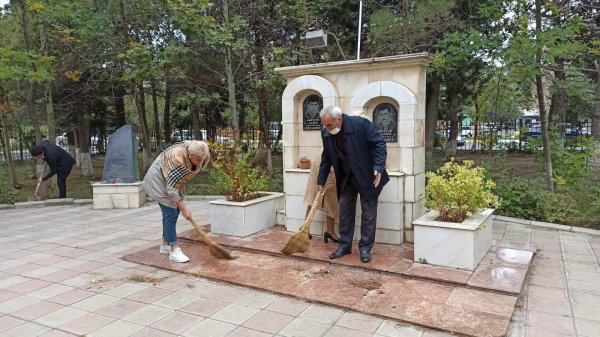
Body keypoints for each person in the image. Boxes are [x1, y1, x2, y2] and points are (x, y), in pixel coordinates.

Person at [317, 106, 389, 263]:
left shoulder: (360, 125)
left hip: (367, 175)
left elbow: (379, 144)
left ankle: (365, 248)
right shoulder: (326, 133)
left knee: (368, 213)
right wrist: (320, 180)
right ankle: (344, 245)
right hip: (346, 177)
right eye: (324, 125)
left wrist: (378, 166)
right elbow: (326, 157)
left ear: (339, 119)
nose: (326, 129)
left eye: (329, 125)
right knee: (344, 210)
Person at [143, 140, 211, 263]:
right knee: (170, 213)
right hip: (157, 183)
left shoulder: (195, 148)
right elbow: (171, 189)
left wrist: (181, 207)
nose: (200, 162)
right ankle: (173, 250)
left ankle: (165, 243)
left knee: (175, 211)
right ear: (190, 155)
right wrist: (185, 209)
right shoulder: (177, 161)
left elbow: (176, 182)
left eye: (202, 159)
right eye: (198, 159)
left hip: (166, 181)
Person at [303, 156, 339, 243]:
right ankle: (330, 231)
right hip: (330, 163)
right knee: (331, 197)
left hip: (321, 160)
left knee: (314, 194)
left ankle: (305, 228)